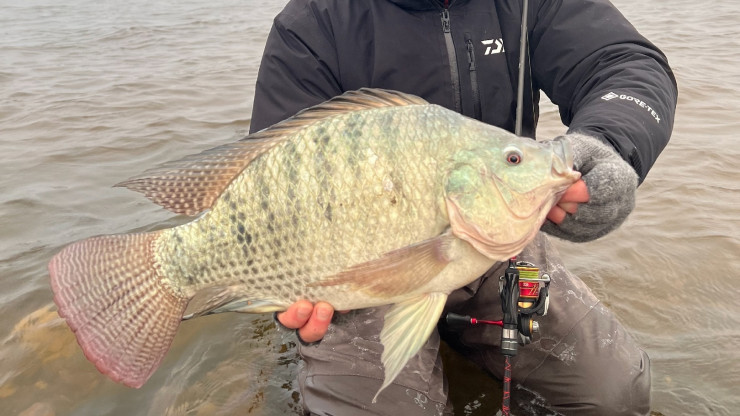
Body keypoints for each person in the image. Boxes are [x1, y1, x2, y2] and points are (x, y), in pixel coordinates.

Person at [249, 0, 677, 414]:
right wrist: (279, 276)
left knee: (616, 394)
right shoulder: (313, 21)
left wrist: (610, 143)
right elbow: (271, 174)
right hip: (357, 266)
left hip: (490, 239)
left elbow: (625, 64)